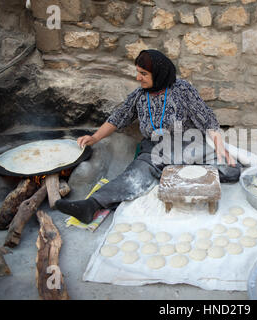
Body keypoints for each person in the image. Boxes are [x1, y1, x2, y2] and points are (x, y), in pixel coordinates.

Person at [55, 50, 242, 224]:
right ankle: (92, 205)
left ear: (159, 73)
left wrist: (220, 147)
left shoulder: (183, 90)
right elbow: (118, 117)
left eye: (143, 73)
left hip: (187, 146)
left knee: (231, 169)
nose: (138, 78)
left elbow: (207, 119)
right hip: (155, 151)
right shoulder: (139, 96)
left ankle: (169, 175)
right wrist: (94, 138)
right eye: (138, 72)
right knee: (133, 176)